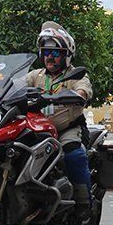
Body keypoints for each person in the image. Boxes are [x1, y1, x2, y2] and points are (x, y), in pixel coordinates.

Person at [26, 21, 93, 214]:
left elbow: (84, 89)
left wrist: (79, 94)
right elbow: (14, 85)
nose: (50, 57)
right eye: (46, 52)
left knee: (74, 154)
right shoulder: (35, 75)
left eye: (55, 53)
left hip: (67, 129)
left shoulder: (75, 75)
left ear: (66, 55)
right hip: (37, 129)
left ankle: (83, 202)